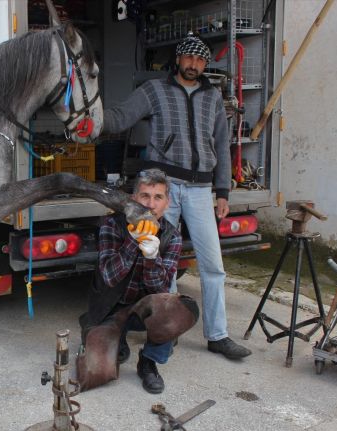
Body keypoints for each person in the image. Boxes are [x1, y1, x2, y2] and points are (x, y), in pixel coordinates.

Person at [101, 35, 251, 360]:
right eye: (189, 58)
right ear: (179, 59)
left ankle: (218, 335)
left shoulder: (213, 97)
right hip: (164, 190)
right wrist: (93, 120)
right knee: (161, 262)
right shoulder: (155, 90)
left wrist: (222, 191)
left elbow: (222, 144)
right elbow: (123, 115)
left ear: (205, 64)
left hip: (200, 191)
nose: (194, 64)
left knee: (213, 266)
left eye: (200, 60)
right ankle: (165, 332)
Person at [78, 168, 198, 394]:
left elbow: (161, 291)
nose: (151, 205)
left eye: (158, 197)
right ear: (133, 199)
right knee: (96, 374)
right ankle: (103, 331)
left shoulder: (171, 236)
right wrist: (133, 243)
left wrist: (152, 258)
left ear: (167, 203)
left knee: (177, 309)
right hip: (110, 307)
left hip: (143, 309)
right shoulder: (112, 225)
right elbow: (109, 277)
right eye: (145, 196)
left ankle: (148, 363)